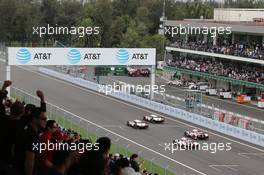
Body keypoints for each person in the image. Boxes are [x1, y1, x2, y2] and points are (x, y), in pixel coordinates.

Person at [14, 106, 47, 175]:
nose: (46, 121)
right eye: (43, 119)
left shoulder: (25, 127)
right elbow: (29, 161)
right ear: (35, 119)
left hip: (16, 167)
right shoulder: (34, 137)